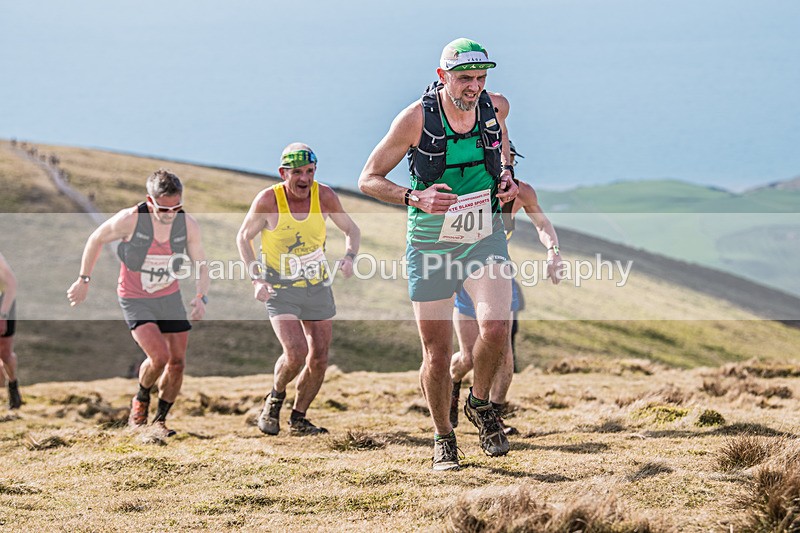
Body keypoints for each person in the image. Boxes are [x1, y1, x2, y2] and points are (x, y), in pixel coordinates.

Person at [359, 38, 520, 470]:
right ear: (441, 75)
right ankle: (443, 438)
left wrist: (507, 177)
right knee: (437, 350)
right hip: (430, 243)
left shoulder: (495, 107)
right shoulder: (415, 119)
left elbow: (503, 147)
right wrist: (416, 197)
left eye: (481, 78)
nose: (474, 87)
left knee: (497, 327)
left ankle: (481, 405)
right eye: (465, 78)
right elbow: (369, 179)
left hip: (482, 236)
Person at [67, 169, 209, 436]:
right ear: (149, 200)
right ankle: (141, 400)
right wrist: (83, 279)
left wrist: (201, 297)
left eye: (176, 208)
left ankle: (161, 421)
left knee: (177, 362)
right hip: (135, 297)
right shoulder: (130, 219)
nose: (170, 214)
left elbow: (202, 263)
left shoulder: (187, 224)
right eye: (163, 208)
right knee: (159, 357)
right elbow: (96, 239)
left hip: (169, 297)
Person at [237, 143, 360, 437]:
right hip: (280, 286)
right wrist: (256, 279)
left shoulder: (325, 195)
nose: (304, 179)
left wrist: (349, 256)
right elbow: (244, 238)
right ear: (283, 173)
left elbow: (352, 230)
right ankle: (275, 398)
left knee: (319, 358)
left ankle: (299, 418)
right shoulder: (269, 200)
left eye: (309, 171)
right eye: (297, 173)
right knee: (295, 353)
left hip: (317, 285)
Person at [449, 142, 563, 435]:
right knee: (469, 358)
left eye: (510, 161)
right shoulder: (467, 188)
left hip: (498, 275)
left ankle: (493, 418)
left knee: (504, 354)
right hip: (464, 278)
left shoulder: (522, 192)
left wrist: (553, 251)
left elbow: (542, 223)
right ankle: (454, 380)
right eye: (500, 160)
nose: (505, 167)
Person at [0, 252, 22, 409]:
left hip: (4, 303)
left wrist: (2, 316)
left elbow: (12, 284)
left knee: (5, 354)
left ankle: (12, 385)